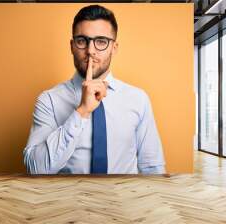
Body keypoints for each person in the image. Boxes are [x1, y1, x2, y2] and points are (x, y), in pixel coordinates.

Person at [23, 5, 165, 174]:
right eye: (82, 41)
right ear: (72, 46)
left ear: (114, 48)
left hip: (123, 198)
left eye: (101, 42)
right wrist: (81, 111)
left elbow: (152, 167)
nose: (90, 51)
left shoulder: (138, 99)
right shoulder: (49, 100)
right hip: (70, 199)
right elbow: (36, 169)